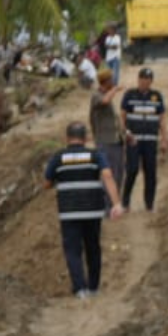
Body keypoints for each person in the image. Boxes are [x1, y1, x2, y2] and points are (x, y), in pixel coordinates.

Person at [42, 121, 125, 298]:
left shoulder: (58, 157)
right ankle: (94, 288)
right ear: (86, 138)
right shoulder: (95, 155)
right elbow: (108, 176)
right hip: (93, 211)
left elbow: (47, 183)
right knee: (93, 247)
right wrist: (116, 203)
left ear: (67, 138)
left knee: (73, 250)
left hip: (69, 212)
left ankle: (80, 289)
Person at [121, 66, 167, 212]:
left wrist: (164, 139)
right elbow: (122, 117)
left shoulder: (157, 96)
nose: (145, 82)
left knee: (150, 172)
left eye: (148, 80)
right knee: (132, 170)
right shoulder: (129, 95)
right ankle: (125, 201)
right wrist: (127, 133)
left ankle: (149, 204)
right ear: (138, 79)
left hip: (151, 140)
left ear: (151, 81)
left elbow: (162, 119)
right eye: (142, 79)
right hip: (133, 140)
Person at [90, 68, 126, 180]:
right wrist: (115, 89)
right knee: (109, 176)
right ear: (107, 81)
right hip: (105, 142)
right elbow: (104, 101)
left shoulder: (106, 96)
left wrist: (125, 133)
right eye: (111, 79)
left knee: (118, 174)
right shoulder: (96, 96)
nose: (113, 81)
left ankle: (115, 197)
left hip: (115, 141)